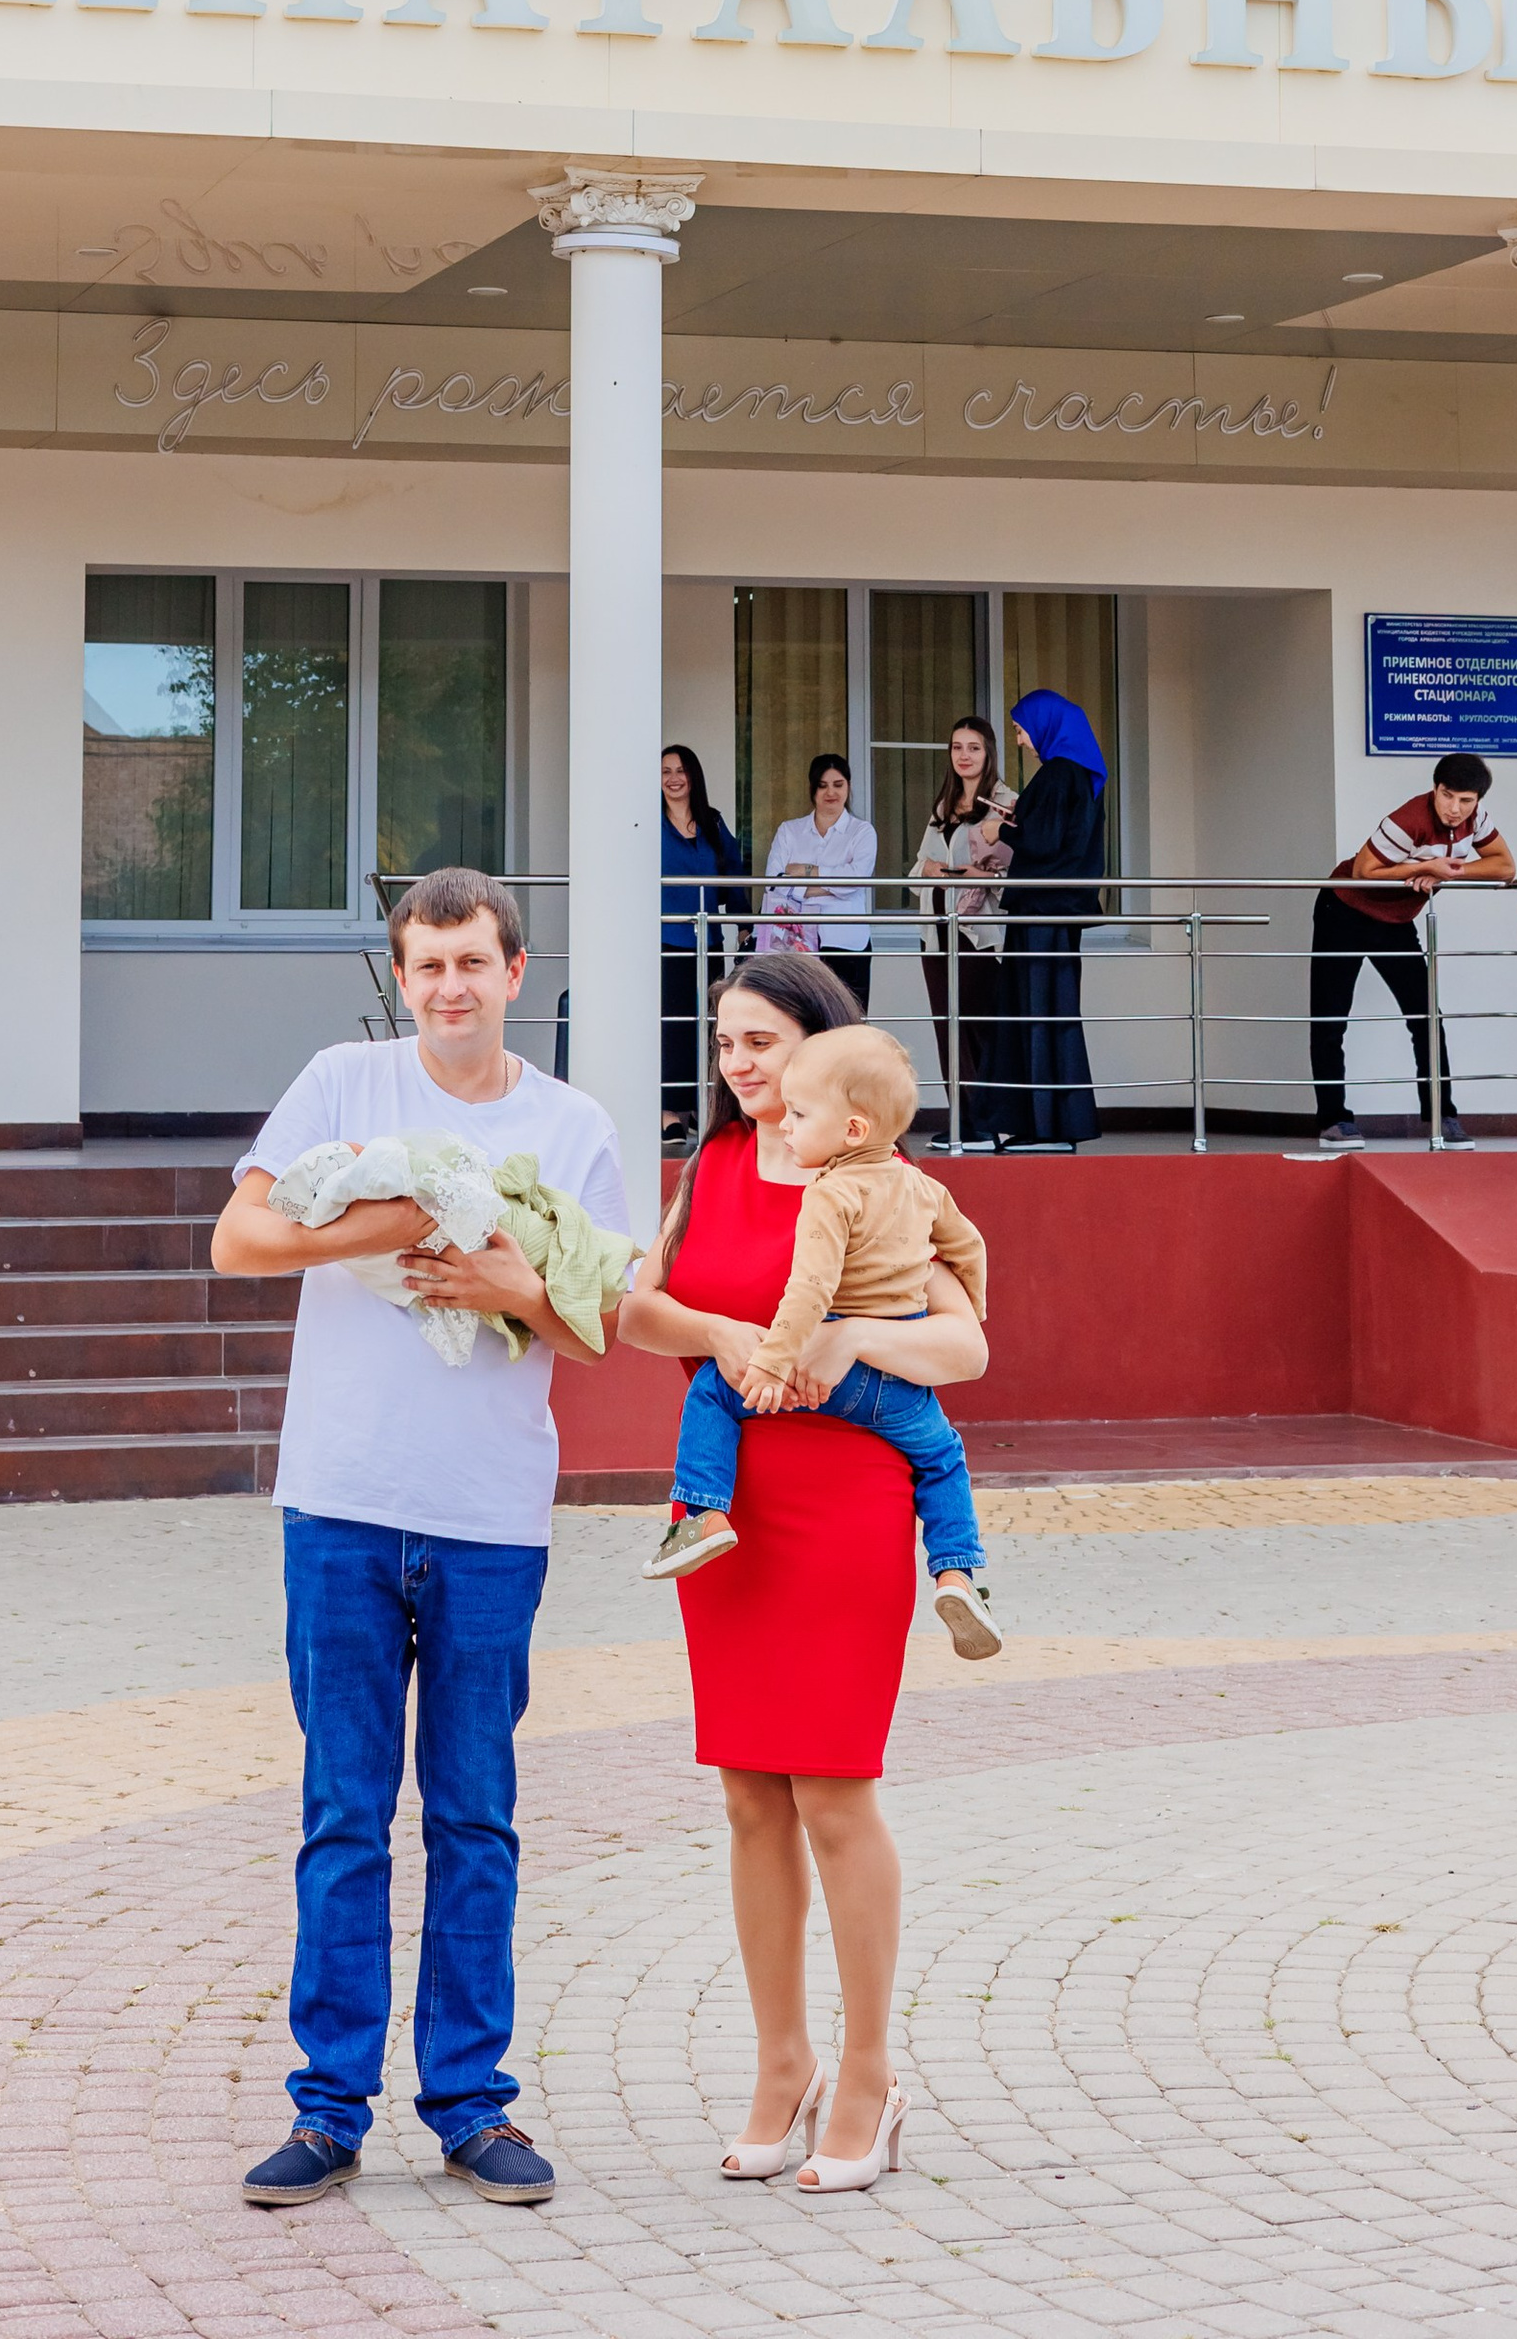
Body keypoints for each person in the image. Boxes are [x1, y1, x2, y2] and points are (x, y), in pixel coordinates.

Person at [211, 865, 631, 2213]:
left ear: (517, 973)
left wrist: (509, 1272)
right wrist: (430, 1211)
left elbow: (594, 1322)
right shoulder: (343, 1085)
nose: (449, 986)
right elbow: (238, 1241)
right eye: (426, 965)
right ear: (404, 979)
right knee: (343, 1817)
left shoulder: (575, 1128)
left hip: (489, 1518)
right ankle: (328, 2111)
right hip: (338, 1502)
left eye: (473, 962)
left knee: (474, 1819)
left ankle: (470, 2108)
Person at [619, 950, 989, 2195]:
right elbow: (642, 1311)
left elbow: (965, 1343)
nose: (739, 1064)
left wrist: (845, 1335)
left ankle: (873, 2076)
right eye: (724, 1041)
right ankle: (784, 2066)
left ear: (824, 1053)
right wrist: (726, 1334)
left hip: (844, 1501)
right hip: (723, 1504)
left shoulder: (874, 1176)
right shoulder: (711, 1165)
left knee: (832, 1791)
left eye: (762, 1041)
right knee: (746, 1796)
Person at [641, 1021, 998, 1659]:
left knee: (711, 1396)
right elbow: (968, 1245)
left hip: (831, 1379)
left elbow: (809, 1291)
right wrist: (976, 1296)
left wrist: (774, 1363)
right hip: (900, 1391)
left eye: (801, 1113)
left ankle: (702, 1513)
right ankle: (957, 1573)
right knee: (943, 1457)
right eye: (724, 1045)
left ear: (851, 1128)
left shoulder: (830, 1194)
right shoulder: (920, 1186)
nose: (786, 1124)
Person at [1310, 752, 1515, 1150]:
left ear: (1478, 801)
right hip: (1345, 910)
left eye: (1466, 800)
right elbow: (1363, 873)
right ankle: (1334, 1120)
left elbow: (1504, 866)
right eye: (1447, 796)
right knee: (1330, 1018)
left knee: (1426, 1017)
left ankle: (1442, 1116)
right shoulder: (1406, 820)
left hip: (1395, 920)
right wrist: (1423, 869)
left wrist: (1444, 870)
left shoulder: (1477, 820)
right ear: (1435, 789)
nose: (1455, 809)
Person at [982, 692, 1106, 1149]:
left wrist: (1002, 829)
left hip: (1041, 911)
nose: (1019, 740)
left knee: (1035, 1012)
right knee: (1050, 1012)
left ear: (1045, 724)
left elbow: (1045, 841)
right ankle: (1051, 1123)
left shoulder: (1057, 773)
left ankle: (1045, 1127)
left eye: (1021, 729)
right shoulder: (1080, 773)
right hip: (1059, 911)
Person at [910, 715, 1013, 1126]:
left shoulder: (1006, 802)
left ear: (988, 752)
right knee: (947, 1029)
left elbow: (1016, 875)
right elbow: (916, 868)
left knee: (977, 1027)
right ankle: (961, 1123)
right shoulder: (943, 805)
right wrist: (930, 871)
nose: (964, 756)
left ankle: (986, 1123)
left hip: (978, 932)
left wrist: (981, 877)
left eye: (973, 747)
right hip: (935, 932)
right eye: (957, 747)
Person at [660, 741, 742, 1149]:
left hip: (709, 940)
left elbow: (734, 870)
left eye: (681, 770)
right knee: (673, 1026)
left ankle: (698, 1107)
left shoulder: (711, 821)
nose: (674, 779)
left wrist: (745, 924)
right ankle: (670, 1113)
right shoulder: (649, 822)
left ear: (693, 776)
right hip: (666, 940)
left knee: (711, 1025)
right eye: (666, 772)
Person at [760, 750, 878, 1009]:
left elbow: (856, 880)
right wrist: (830, 884)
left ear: (848, 786)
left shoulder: (862, 831)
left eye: (838, 785)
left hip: (846, 941)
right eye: (823, 785)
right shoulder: (790, 830)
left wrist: (806, 872)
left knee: (846, 1025)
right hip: (794, 945)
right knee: (801, 1023)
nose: (831, 793)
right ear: (812, 788)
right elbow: (774, 884)